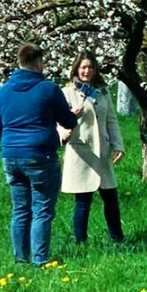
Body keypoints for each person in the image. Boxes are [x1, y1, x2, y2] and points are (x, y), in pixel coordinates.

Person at [0, 41, 78, 266]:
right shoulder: (48, 89)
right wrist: (73, 116)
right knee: (42, 209)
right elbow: (66, 120)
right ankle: (40, 259)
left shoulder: (3, 91)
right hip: (40, 155)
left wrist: (10, 140)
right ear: (39, 62)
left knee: (20, 209)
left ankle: (21, 259)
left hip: (10, 155)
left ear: (19, 62)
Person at [58, 51, 125, 246]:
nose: (87, 71)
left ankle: (118, 239)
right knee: (83, 200)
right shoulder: (67, 93)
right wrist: (70, 118)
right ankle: (81, 243)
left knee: (110, 197)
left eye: (90, 67)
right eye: (83, 67)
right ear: (76, 68)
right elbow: (59, 121)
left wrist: (118, 145)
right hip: (82, 152)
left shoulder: (102, 92)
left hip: (102, 152)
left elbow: (111, 120)